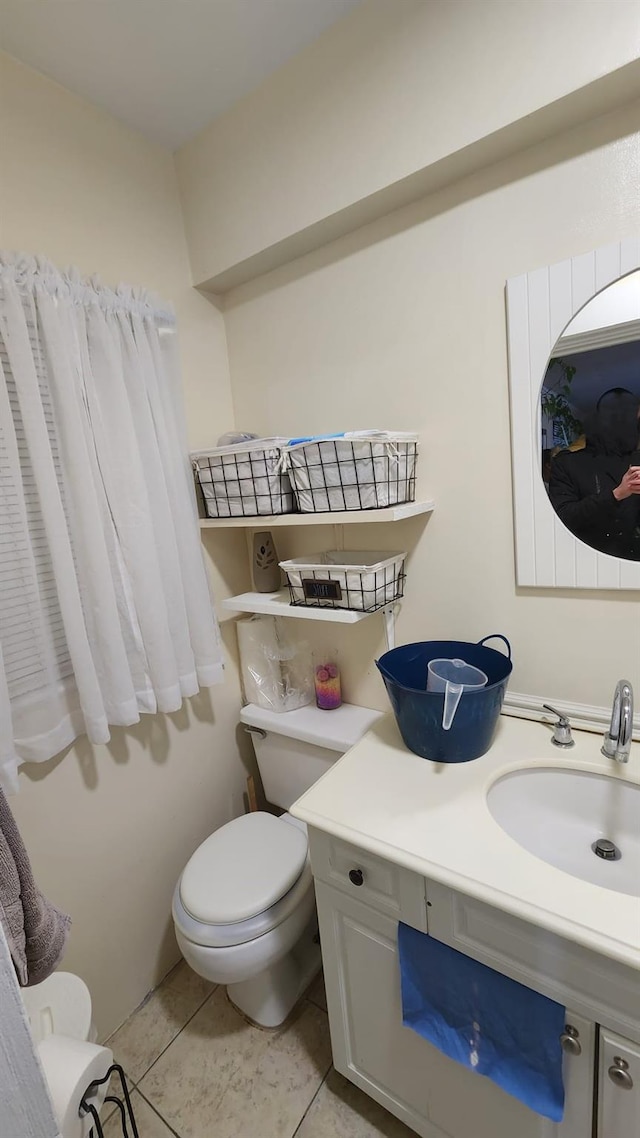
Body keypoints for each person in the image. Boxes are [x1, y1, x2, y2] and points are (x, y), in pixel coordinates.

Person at [548, 387, 640, 560]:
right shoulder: (568, 463)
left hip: (632, 560)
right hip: (585, 559)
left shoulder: (636, 459)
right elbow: (564, 517)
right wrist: (616, 494)